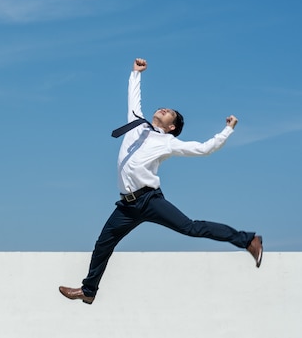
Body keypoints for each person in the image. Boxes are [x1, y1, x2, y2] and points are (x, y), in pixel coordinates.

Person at [59, 58, 263, 305]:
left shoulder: (167, 142)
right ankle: (88, 291)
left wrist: (227, 130)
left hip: (149, 200)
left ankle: (248, 240)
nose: (164, 109)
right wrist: (136, 73)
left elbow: (203, 149)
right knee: (103, 244)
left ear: (172, 127)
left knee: (190, 227)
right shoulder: (136, 123)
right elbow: (134, 98)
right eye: (164, 107)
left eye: (170, 113)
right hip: (126, 205)